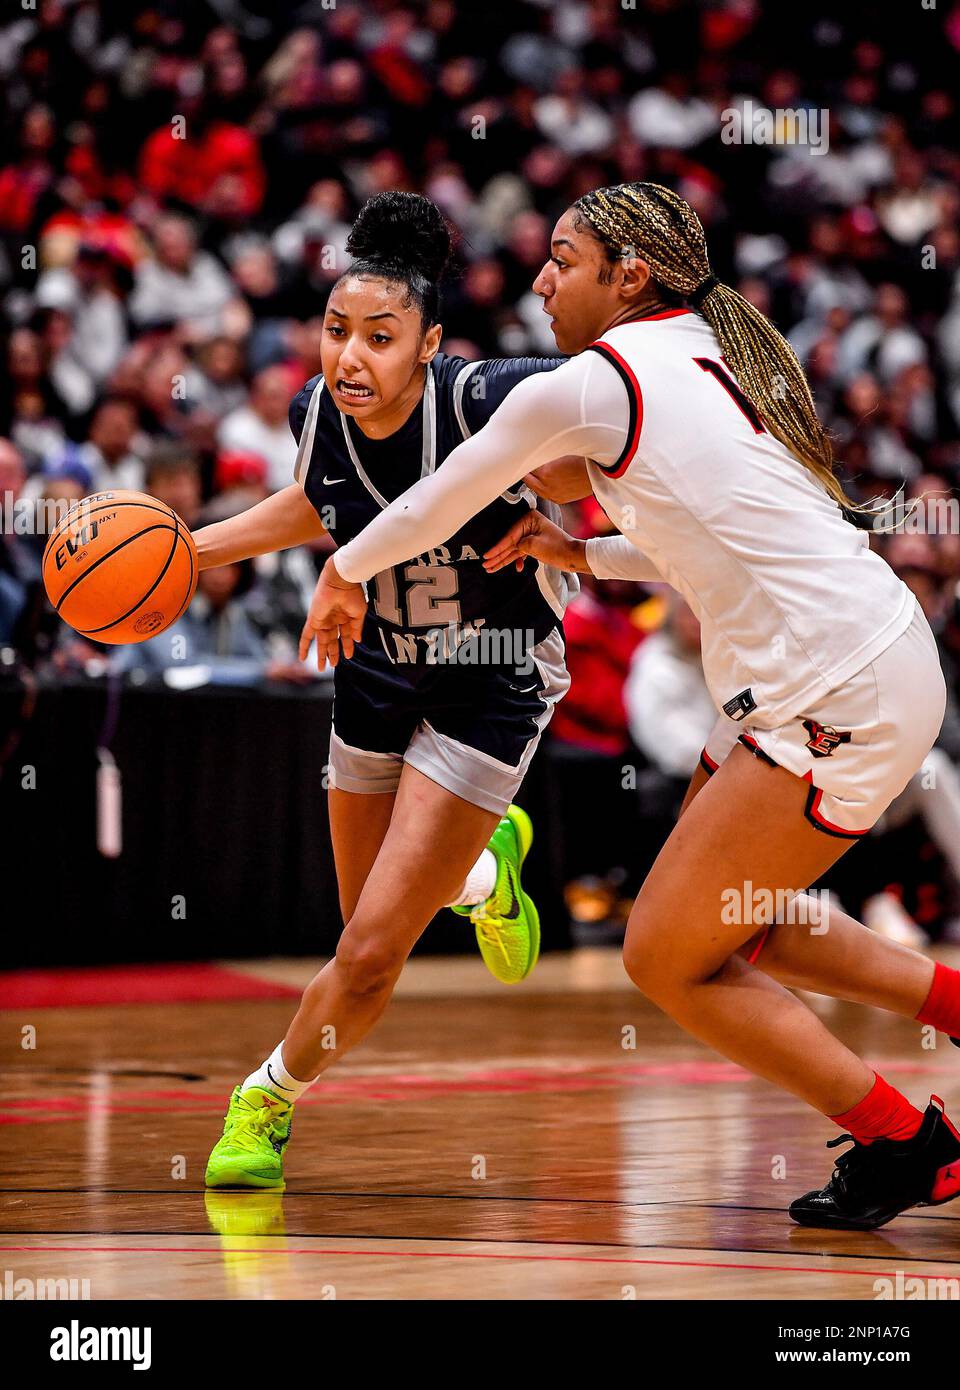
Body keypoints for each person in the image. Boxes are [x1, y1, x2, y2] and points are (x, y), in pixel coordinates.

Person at [305, 181, 960, 1231]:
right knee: (737, 932)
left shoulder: (593, 383)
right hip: (841, 664)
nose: (540, 278)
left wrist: (345, 566)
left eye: (563, 259)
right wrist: (580, 551)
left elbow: (447, 493)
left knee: (663, 954)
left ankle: (908, 1145)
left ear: (630, 274)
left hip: (835, 685)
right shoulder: (704, 345)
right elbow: (703, 530)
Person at [197, 192, 582, 1190]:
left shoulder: (483, 399)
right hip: (377, 666)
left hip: (490, 670)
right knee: (364, 917)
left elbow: (611, 406)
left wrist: (587, 518)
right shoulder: (315, 410)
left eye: (380, 336)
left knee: (370, 953)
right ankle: (486, 876)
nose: (350, 356)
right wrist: (190, 550)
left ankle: (265, 1098)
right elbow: (317, 501)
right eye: (335, 331)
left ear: (430, 343)